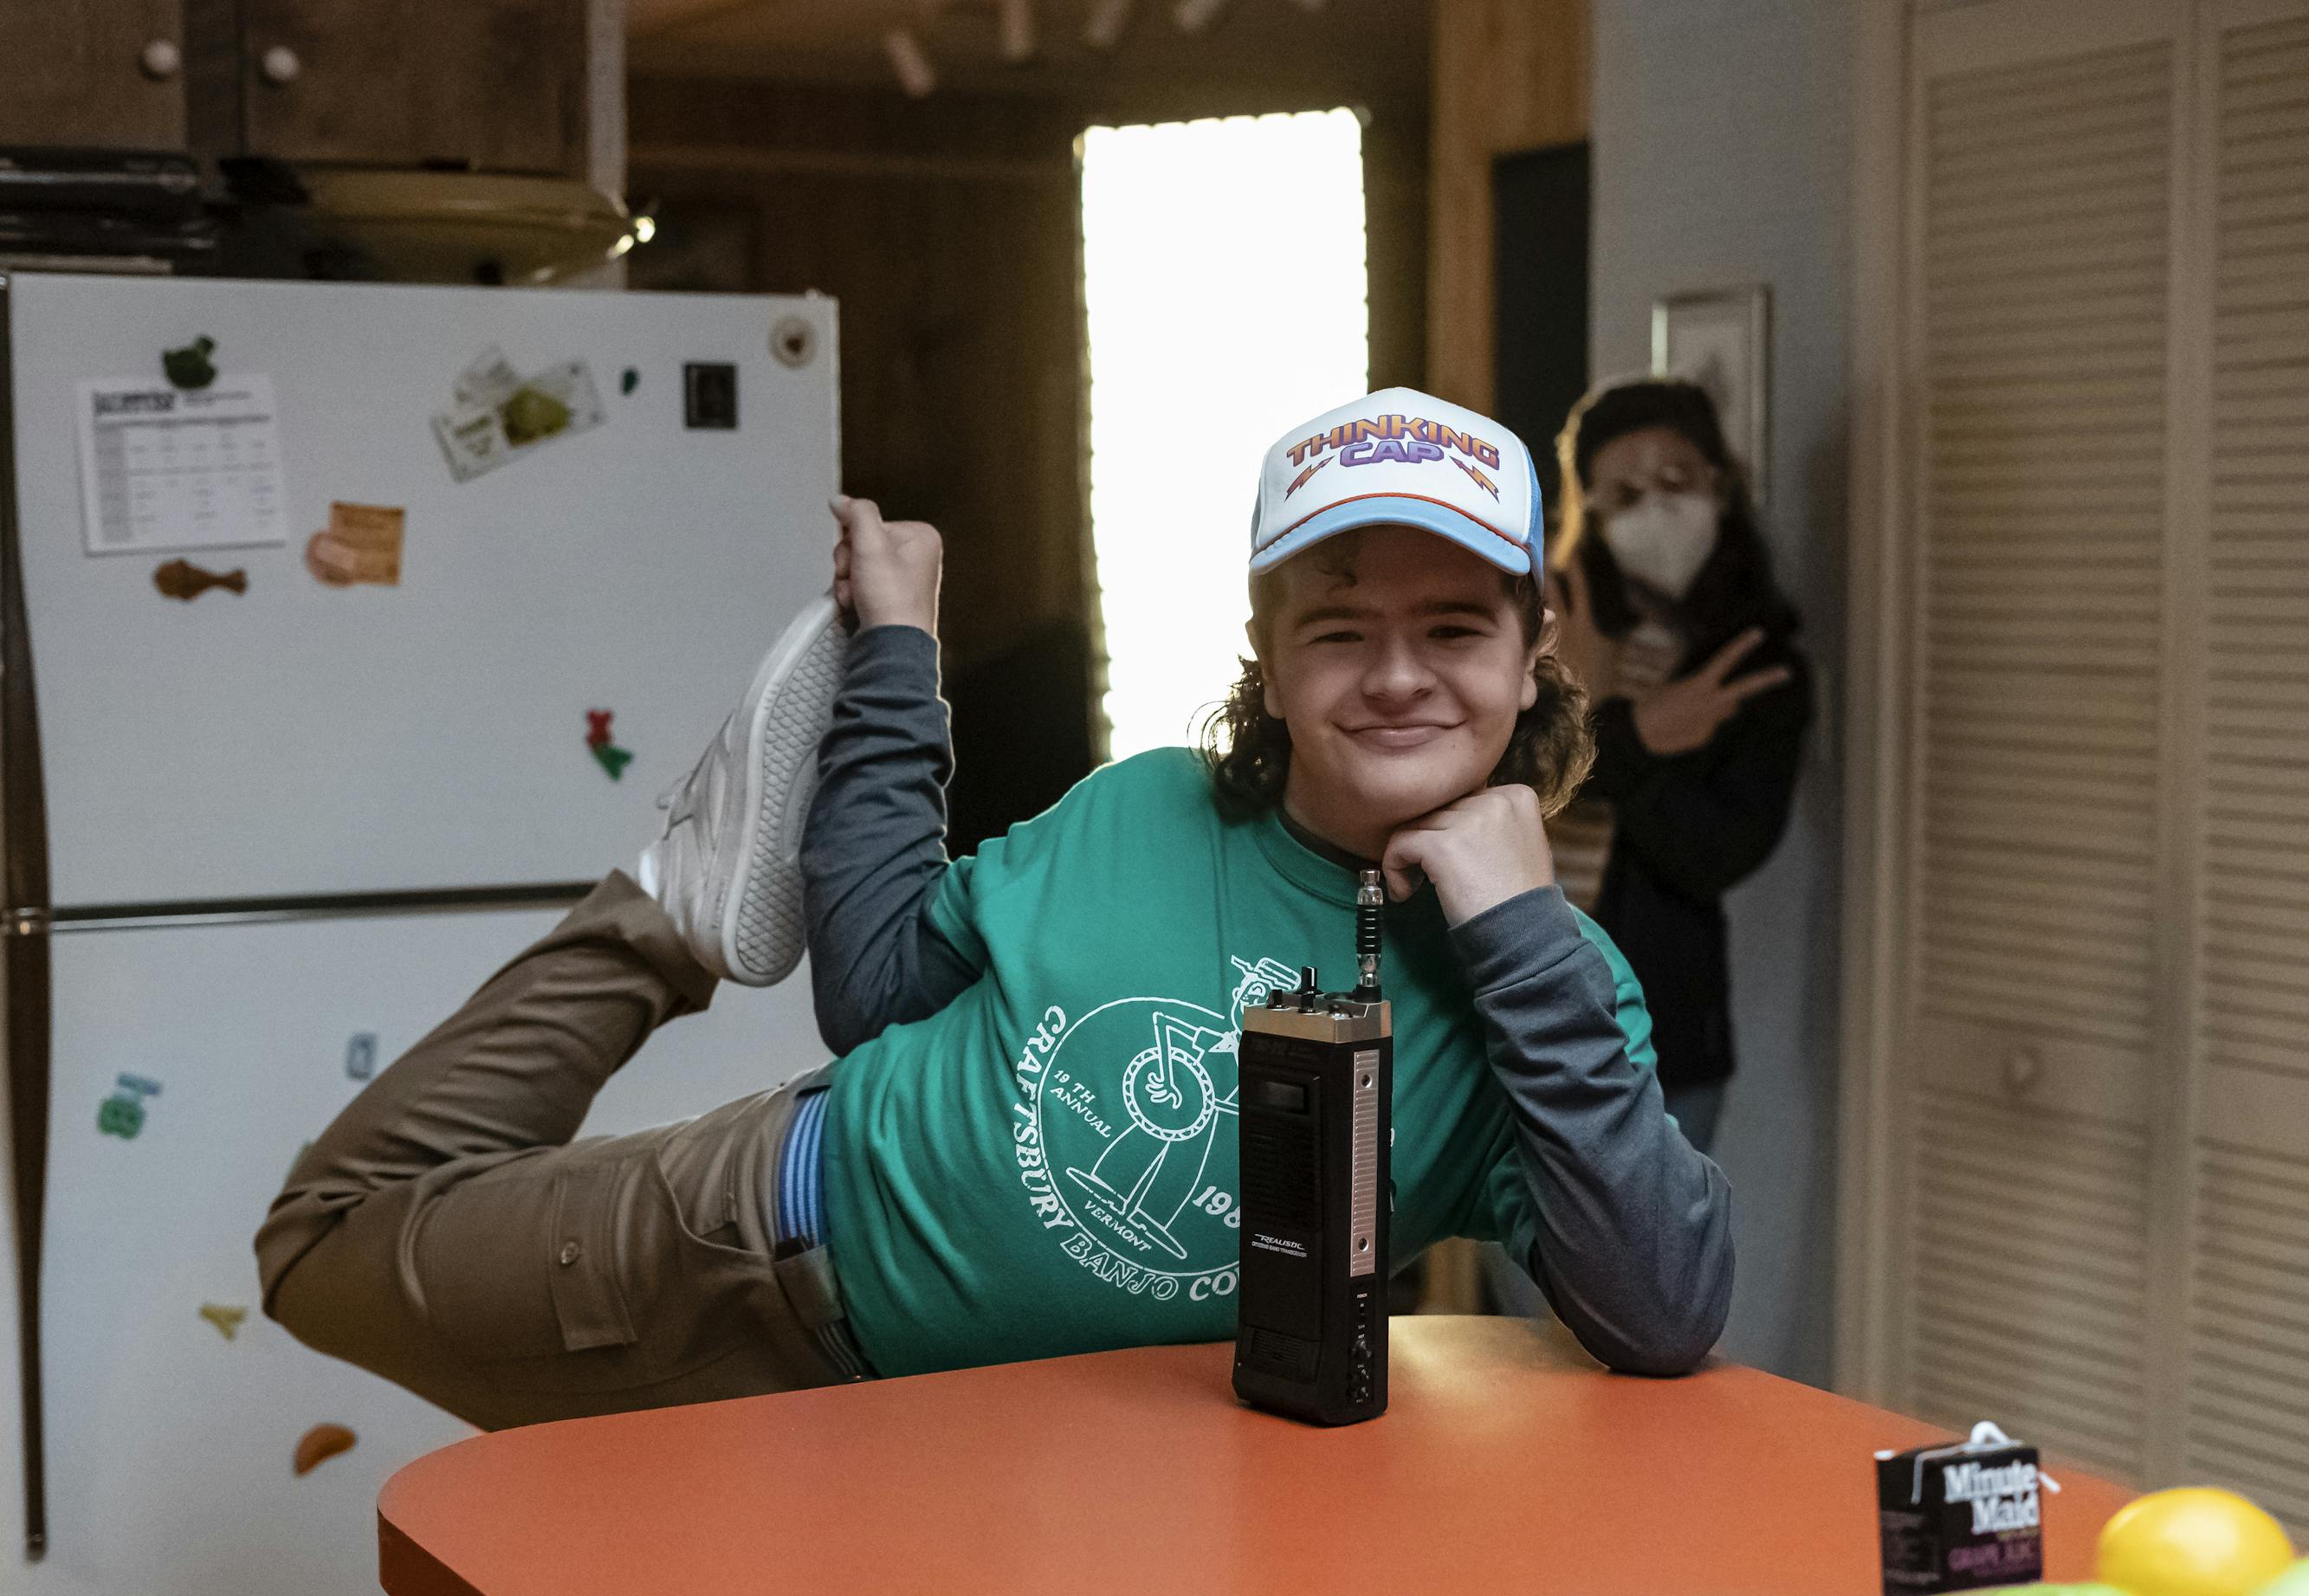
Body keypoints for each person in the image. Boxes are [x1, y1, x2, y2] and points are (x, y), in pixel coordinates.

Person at [253, 386, 1734, 1430]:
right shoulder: (1152, 805)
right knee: (323, 1250)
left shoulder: (1554, 986)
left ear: (1539, 648)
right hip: (745, 1237)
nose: (1397, 675)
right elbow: (881, 991)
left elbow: (1662, 1315)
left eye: (1455, 629)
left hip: (965, 1443)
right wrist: (897, 653)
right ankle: (664, 919)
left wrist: (1519, 935)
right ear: (1269, 659)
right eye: (1339, 630)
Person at [1540, 378, 1811, 1154]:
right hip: (1520, 1004)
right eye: (1623, 494)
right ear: (1588, 510)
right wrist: (1605, 716)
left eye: (1676, 482)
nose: (1655, 510)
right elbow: (1494, 793)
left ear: (1720, 487)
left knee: (1651, 1265)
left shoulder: (1757, 662)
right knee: (1521, 1263)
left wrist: (1616, 739)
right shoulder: (1553, 627)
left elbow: (1718, 854)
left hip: (1666, 1035)